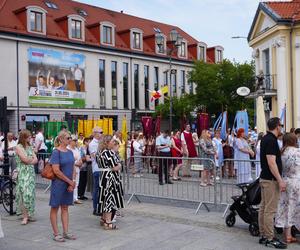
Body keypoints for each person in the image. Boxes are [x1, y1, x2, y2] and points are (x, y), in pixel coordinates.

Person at [258, 117, 287, 249]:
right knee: (269, 210)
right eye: (280, 125)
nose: (281, 127)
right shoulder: (271, 140)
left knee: (264, 208)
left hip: (265, 178)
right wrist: (280, 180)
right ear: (277, 126)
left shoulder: (266, 138)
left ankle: (264, 235)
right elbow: (271, 162)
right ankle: (269, 238)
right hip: (270, 180)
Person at [49, 131, 76, 242]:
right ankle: (56, 233)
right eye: (68, 138)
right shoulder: (56, 152)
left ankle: (66, 232)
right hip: (59, 184)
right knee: (55, 208)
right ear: (61, 139)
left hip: (69, 183)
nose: (70, 140)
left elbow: (73, 168)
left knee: (65, 208)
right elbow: (56, 171)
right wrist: (70, 182)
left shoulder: (70, 152)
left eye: (70, 138)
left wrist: (73, 181)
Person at [275, 133, 300, 244]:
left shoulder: (281, 152)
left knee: (286, 207)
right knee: (295, 207)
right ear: (294, 140)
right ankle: (290, 234)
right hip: (296, 182)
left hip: (284, 181)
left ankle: (287, 235)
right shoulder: (297, 152)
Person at [96, 136, 124, 230]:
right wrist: (120, 164)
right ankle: (108, 222)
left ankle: (103, 219)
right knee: (109, 199)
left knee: (104, 198)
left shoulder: (100, 152)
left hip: (103, 176)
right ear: (107, 142)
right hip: (110, 177)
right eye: (112, 141)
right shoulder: (108, 152)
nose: (114, 142)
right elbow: (115, 167)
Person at [15, 129, 38, 225]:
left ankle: (29, 214)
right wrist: (30, 160)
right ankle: (24, 216)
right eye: (28, 137)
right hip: (23, 174)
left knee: (30, 194)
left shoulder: (30, 147)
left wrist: (30, 160)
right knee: (24, 194)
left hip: (30, 173)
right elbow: (24, 159)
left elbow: (35, 159)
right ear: (24, 137)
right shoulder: (18, 147)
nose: (30, 138)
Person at [89, 127, 103, 215]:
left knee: (101, 189)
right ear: (95, 133)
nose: (102, 134)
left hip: (102, 168)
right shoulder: (93, 144)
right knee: (97, 189)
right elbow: (95, 156)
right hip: (97, 168)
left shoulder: (100, 142)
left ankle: (100, 207)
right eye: (100, 132)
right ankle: (96, 208)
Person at [67, 135, 83, 204]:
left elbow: (80, 158)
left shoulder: (77, 149)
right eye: (74, 140)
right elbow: (69, 160)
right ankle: (69, 198)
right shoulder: (68, 149)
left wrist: (80, 163)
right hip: (70, 168)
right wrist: (77, 163)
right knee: (70, 182)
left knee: (76, 183)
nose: (76, 142)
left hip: (77, 169)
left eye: (76, 140)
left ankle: (75, 198)